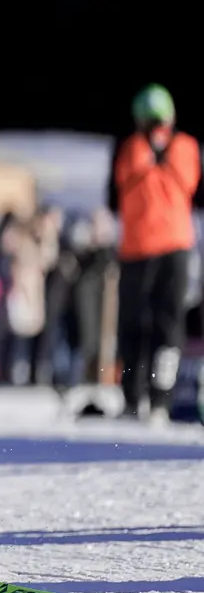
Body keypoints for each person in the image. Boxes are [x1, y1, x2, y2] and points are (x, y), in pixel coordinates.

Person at [110, 83, 199, 418]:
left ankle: (136, 397)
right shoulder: (184, 147)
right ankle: (159, 398)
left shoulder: (131, 147)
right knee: (167, 326)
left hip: (141, 250)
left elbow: (115, 193)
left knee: (136, 326)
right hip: (170, 249)